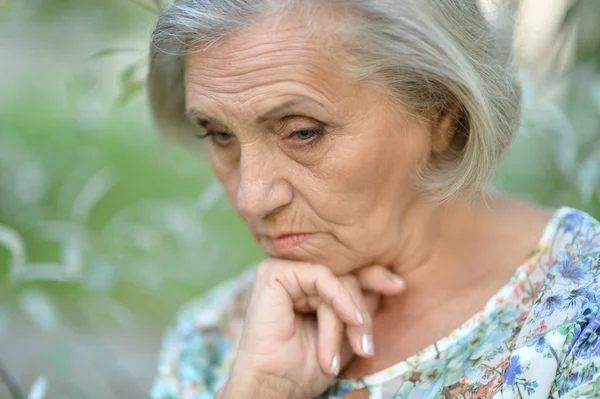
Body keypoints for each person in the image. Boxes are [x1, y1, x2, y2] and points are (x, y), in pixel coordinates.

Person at [147, 0, 600, 398]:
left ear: (440, 112)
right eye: (220, 134)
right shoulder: (212, 338)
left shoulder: (581, 313)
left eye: (303, 132)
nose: (251, 198)